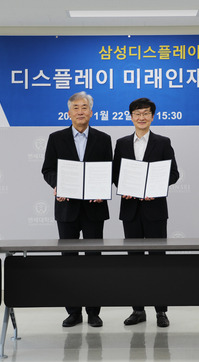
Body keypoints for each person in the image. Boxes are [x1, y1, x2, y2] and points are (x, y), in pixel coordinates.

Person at [41, 91, 112, 328]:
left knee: (94, 260)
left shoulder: (103, 139)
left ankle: (93, 311)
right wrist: (56, 184)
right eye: (76, 108)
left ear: (91, 112)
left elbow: (108, 171)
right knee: (68, 260)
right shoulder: (56, 138)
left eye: (85, 107)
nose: (80, 112)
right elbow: (48, 169)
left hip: (94, 209)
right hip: (66, 208)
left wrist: (102, 191)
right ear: (69, 113)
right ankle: (73, 311)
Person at [112, 97, 180, 328]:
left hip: (155, 210)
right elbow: (115, 174)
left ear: (153, 116)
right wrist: (125, 188)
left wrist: (156, 189)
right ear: (130, 117)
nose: (141, 117)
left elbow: (173, 174)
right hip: (130, 210)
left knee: (158, 261)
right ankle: (137, 310)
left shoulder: (163, 142)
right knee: (134, 262)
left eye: (146, 113)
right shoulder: (121, 143)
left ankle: (161, 311)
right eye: (137, 113)